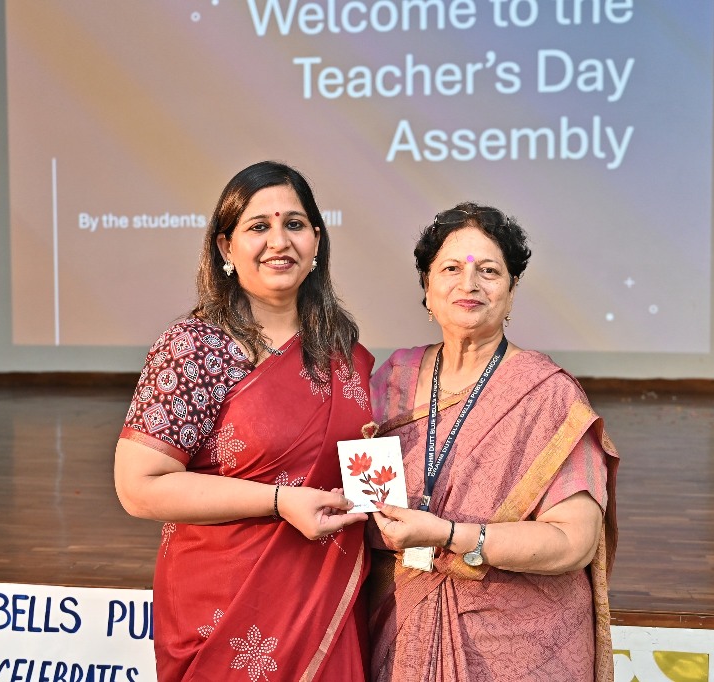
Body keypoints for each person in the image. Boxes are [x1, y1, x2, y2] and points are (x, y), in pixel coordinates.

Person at [114, 161, 374, 681]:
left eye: (294, 224)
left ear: (316, 241)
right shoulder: (195, 348)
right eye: (258, 227)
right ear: (226, 247)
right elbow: (138, 488)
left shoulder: (345, 352)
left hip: (325, 603)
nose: (279, 241)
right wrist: (279, 501)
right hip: (223, 608)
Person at [366, 203, 619, 682]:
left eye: (488, 271)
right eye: (451, 269)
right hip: (400, 632)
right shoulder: (392, 380)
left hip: (519, 647)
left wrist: (449, 535)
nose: (469, 284)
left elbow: (575, 542)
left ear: (511, 290)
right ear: (426, 286)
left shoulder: (548, 395)